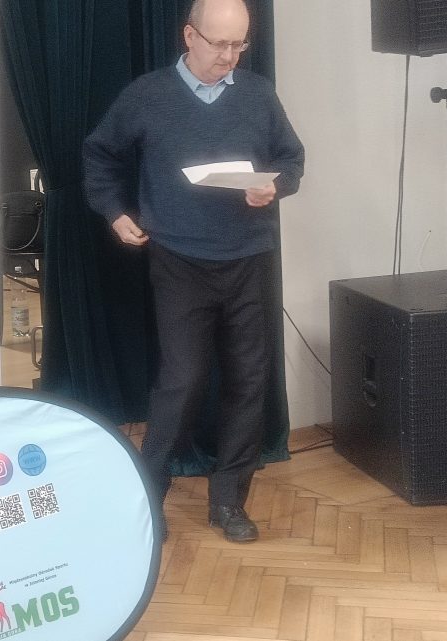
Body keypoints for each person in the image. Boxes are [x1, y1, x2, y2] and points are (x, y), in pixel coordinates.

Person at [83, 0, 305, 543]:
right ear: (189, 36)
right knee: (180, 382)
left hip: (249, 258)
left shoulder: (258, 95)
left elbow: (292, 160)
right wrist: (115, 212)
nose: (229, 56)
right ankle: (149, 494)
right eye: (219, 44)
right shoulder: (147, 95)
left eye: (239, 45)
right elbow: (100, 154)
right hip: (179, 260)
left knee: (248, 381)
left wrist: (275, 185)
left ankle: (229, 501)